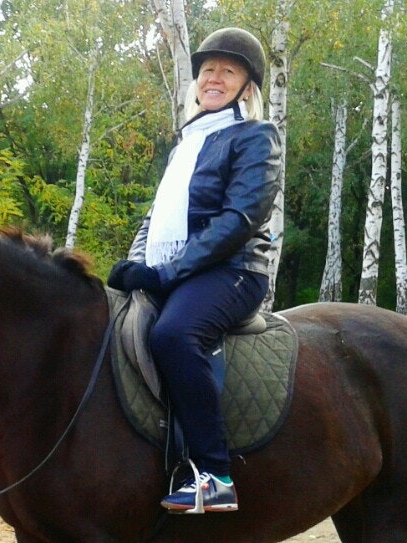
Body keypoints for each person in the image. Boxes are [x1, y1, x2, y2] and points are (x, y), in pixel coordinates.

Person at [107, 27, 282, 513]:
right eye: (208, 70)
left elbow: (240, 219)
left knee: (173, 335)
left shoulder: (256, 137)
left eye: (228, 71)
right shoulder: (185, 144)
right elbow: (156, 218)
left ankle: (214, 474)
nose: (214, 78)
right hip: (182, 269)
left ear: (247, 87)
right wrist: (137, 265)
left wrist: (165, 274)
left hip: (234, 269)